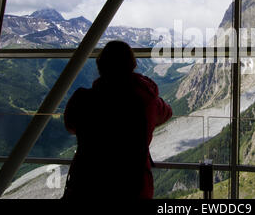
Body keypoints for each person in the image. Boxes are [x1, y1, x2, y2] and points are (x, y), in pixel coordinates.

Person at [62, 40, 172, 200]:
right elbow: (167, 113)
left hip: (88, 184)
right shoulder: (146, 100)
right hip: (133, 186)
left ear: (101, 66)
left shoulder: (83, 99)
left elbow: (70, 125)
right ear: (132, 65)